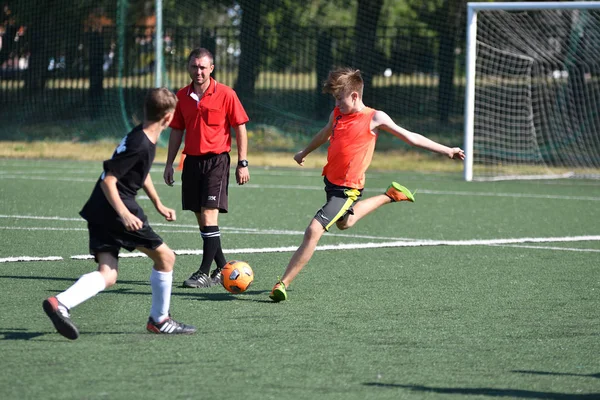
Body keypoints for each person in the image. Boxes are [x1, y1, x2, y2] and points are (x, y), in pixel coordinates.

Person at [269, 67, 465, 302]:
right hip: (331, 183)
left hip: (348, 188)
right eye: (335, 99)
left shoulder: (375, 117)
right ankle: (390, 195)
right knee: (345, 222)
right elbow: (325, 133)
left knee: (314, 230)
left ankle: (283, 283)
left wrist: (447, 150)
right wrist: (304, 152)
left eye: (340, 98)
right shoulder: (338, 114)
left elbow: (411, 137)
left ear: (354, 96)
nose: (337, 103)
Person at [43, 88, 196, 339]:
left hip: (99, 208)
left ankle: (60, 303)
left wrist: (158, 202)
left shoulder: (142, 135)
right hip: (116, 208)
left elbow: (140, 171)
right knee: (166, 258)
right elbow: (109, 180)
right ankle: (160, 320)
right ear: (168, 118)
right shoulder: (140, 144)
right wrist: (124, 213)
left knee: (109, 273)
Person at [163, 47, 250, 289]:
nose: (198, 71)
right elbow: (177, 131)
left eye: (203, 67)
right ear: (188, 68)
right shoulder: (181, 96)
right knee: (202, 219)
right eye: (194, 66)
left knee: (210, 214)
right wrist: (169, 163)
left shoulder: (226, 94)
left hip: (217, 162)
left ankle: (203, 272)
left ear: (211, 68)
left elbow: (240, 127)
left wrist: (243, 162)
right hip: (191, 162)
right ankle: (224, 269)